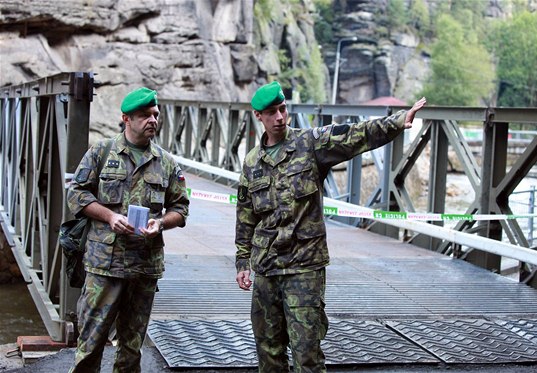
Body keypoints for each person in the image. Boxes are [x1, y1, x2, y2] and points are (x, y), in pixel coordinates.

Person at [235, 81, 426, 372]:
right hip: (266, 270)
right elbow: (246, 214)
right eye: (271, 112)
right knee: (268, 352)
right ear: (258, 116)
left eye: (283, 109)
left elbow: (354, 134)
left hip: (304, 269)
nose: (279, 117)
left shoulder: (310, 144)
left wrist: (398, 121)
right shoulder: (252, 163)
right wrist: (242, 259)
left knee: (307, 355)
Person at [67, 87, 190, 372]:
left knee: (132, 349)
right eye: (144, 115)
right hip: (104, 267)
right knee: (90, 344)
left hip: (143, 268)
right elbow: (77, 194)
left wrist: (160, 223)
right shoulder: (102, 152)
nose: (152, 120)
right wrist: (109, 216)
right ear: (126, 119)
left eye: (155, 115)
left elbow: (181, 209)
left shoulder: (166, 163)